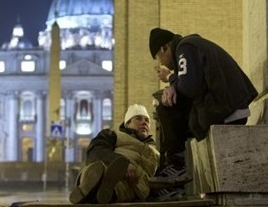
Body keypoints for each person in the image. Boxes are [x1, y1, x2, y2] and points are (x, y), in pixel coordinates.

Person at [148, 28, 258, 185]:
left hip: (227, 107)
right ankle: (175, 163)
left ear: (164, 47)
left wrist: (171, 79)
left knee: (167, 105)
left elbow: (189, 87)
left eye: (159, 58)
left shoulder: (185, 48)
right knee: (172, 99)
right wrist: (173, 84)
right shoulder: (191, 47)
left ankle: (176, 163)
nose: (163, 63)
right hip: (227, 103)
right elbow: (192, 83)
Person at [69, 104, 160, 204]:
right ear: (127, 124)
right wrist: (124, 165)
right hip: (109, 171)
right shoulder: (114, 135)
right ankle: (93, 186)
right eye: (138, 119)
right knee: (98, 172)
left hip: (134, 186)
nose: (144, 123)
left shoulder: (155, 151)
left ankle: (94, 192)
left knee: (122, 190)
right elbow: (94, 152)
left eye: (147, 120)